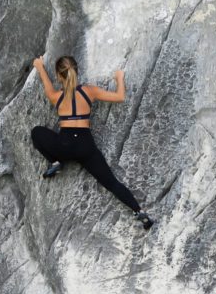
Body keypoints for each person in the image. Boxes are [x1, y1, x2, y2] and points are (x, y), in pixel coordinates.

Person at [30, 54, 155, 230]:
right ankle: (139, 211)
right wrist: (119, 77)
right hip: (85, 146)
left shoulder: (55, 96)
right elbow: (119, 97)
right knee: (111, 183)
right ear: (77, 72)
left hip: (63, 146)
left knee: (36, 132)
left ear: (59, 76)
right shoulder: (89, 91)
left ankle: (56, 162)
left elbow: (47, 84)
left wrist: (39, 66)